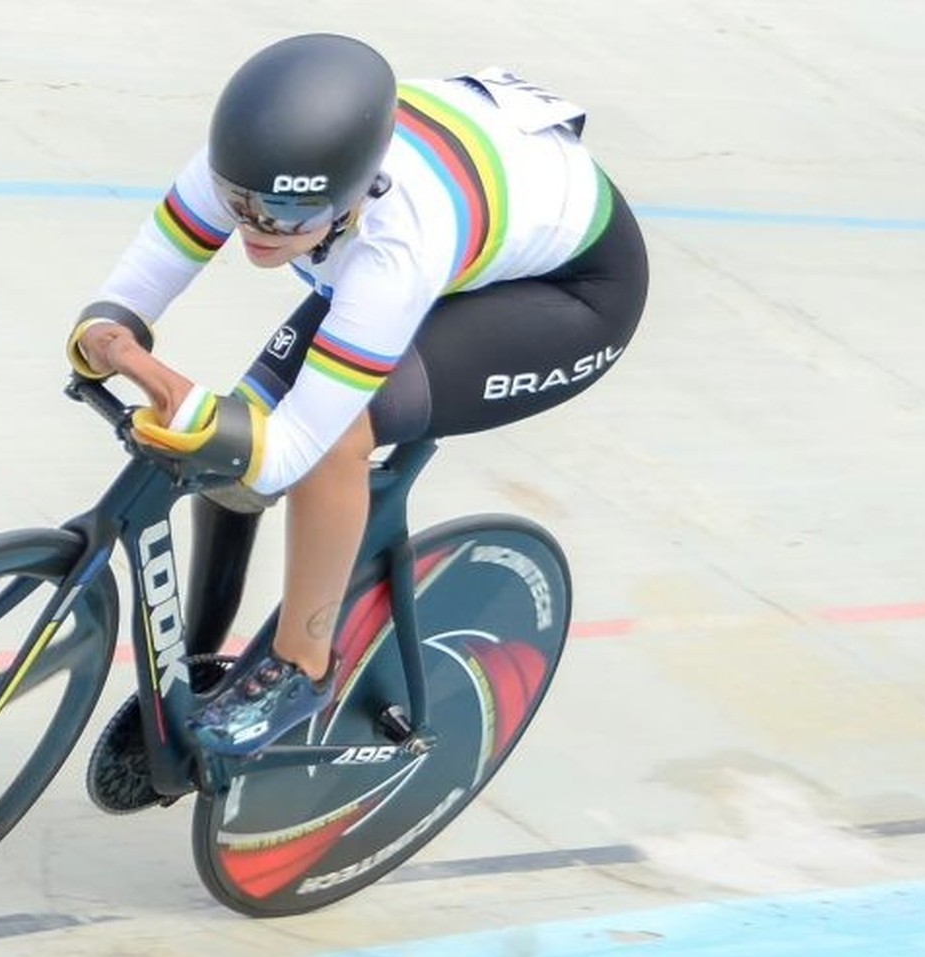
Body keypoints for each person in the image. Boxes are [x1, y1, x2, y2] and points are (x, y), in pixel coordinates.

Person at [70, 33, 648, 806]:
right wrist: (113, 329)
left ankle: (301, 667)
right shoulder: (249, 163)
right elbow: (145, 276)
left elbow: (292, 451)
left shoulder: (394, 244)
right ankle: (195, 668)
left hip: (570, 296)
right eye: (242, 203)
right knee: (235, 437)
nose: (257, 228)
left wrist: (185, 399)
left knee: (336, 437)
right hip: (476, 222)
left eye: (288, 214)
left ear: (353, 193)